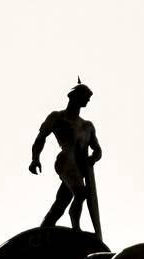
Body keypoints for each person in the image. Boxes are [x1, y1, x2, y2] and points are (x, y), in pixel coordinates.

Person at [29, 78, 103, 236]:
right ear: (73, 96)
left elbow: (97, 149)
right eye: (85, 96)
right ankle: (76, 227)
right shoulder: (58, 117)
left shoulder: (88, 126)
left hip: (80, 167)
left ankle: (45, 228)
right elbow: (41, 138)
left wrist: (93, 158)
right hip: (65, 162)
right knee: (81, 193)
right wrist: (35, 158)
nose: (88, 100)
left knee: (61, 203)